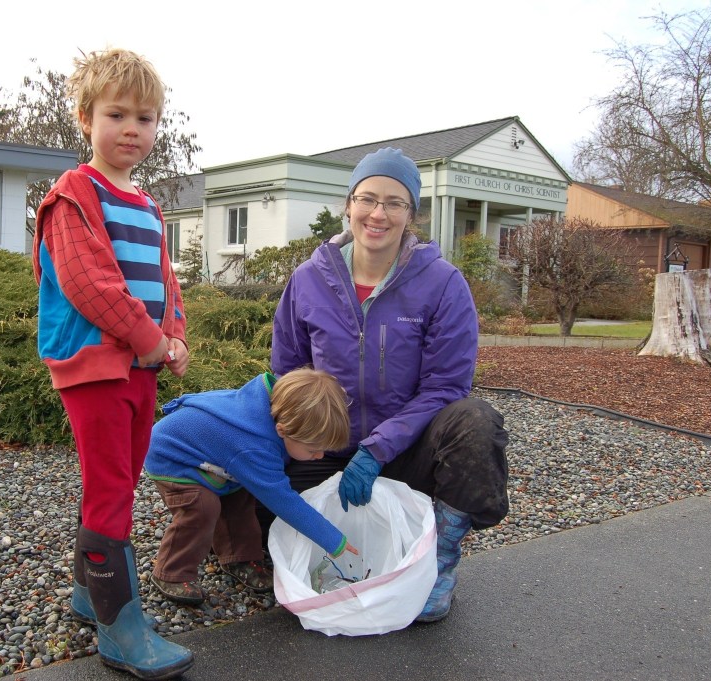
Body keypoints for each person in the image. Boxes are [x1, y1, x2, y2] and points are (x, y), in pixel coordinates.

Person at [269, 147, 510, 623]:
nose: (378, 214)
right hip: (327, 452)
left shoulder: (442, 284)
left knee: (475, 424)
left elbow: (446, 386)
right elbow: (287, 373)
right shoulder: (307, 280)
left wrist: (379, 448)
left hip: (406, 453)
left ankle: (437, 563)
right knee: (270, 528)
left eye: (395, 203)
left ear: (411, 213)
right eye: (368, 199)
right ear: (349, 204)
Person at [31, 47, 193, 679]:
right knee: (109, 487)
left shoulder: (148, 205)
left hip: (141, 368)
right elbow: (88, 284)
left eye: (146, 118)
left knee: (119, 481)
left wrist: (173, 336)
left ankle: (87, 595)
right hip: (97, 366)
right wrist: (149, 341)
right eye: (117, 114)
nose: (133, 129)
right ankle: (120, 631)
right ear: (84, 117)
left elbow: (164, 281)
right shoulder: (73, 194)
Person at [143, 368, 356, 605]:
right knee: (202, 508)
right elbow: (284, 501)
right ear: (282, 431)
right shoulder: (253, 446)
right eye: (312, 449)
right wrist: (333, 540)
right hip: (172, 459)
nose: (320, 456)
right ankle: (171, 572)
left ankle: (239, 557)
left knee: (241, 498)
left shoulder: (274, 410)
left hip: (211, 457)